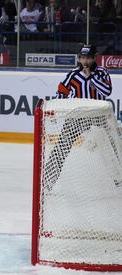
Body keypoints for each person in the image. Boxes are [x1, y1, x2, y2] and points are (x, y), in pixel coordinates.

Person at [46, 44, 114, 191]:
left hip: (98, 115)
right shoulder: (73, 74)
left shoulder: (102, 72)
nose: (85, 61)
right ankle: (48, 180)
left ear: (94, 58)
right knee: (61, 147)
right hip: (78, 116)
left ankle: (118, 180)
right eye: (82, 58)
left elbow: (107, 91)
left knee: (113, 146)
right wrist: (57, 108)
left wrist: (90, 76)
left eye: (88, 58)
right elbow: (61, 92)